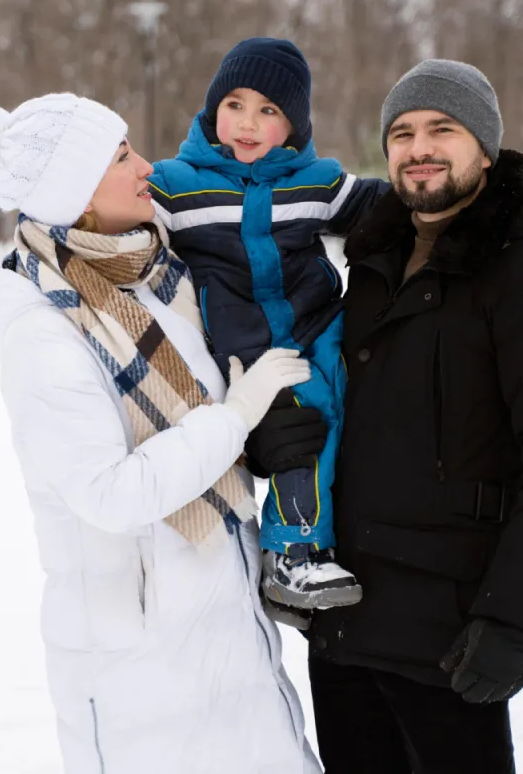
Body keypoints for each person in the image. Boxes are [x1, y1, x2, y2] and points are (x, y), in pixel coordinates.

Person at [0, 92, 323, 774]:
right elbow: (109, 493)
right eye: (121, 156)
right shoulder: (45, 332)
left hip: (224, 620)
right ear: (77, 196)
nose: (146, 166)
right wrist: (234, 416)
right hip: (140, 659)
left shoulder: (155, 275)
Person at [306, 60, 523, 773]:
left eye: (443, 128)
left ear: (486, 146)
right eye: (404, 133)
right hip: (346, 619)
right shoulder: (375, 260)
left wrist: (514, 617)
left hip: (449, 629)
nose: (420, 148)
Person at [149, 38, 388, 617]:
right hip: (251, 348)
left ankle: (352, 531)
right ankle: (291, 553)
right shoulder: (178, 185)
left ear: (295, 126)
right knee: (302, 422)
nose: (248, 123)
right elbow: (125, 221)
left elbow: (388, 204)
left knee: (354, 406)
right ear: (212, 110)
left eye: (269, 110)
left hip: (320, 323)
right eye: (235, 104)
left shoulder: (317, 182)